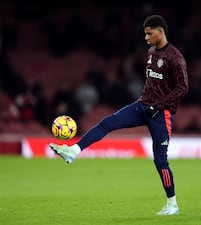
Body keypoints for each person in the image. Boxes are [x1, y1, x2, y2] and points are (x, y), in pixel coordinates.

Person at [49, 15, 189, 216]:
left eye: (149, 34)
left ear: (160, 31)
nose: (146, 38)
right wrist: (147, 102)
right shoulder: (151, 52)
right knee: (108, 122)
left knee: (160, 161)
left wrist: (159, 105)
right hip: (142, 106)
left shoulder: (175, 58)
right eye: (145, 34)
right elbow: (153, 83)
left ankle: (172, 204)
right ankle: (73, 151)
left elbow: (183, 87)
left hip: (161, 114)